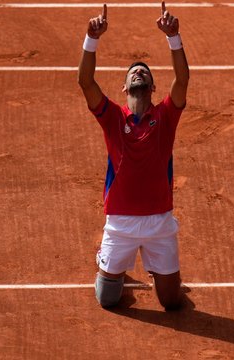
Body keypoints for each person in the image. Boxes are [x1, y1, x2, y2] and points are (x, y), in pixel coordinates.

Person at [78, 2, 189, 310]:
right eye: (132, 72)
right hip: (120, 224)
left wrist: (173, 37)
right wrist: (91, 38)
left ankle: (165, 280)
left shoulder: (166, 115)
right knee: (107, 299)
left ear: (153, 86)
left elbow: (182, 81)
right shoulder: (112, 116)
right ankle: (110, 265)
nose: (138, 71)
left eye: (144, 71)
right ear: (124, 87)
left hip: (159, 223)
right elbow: (86, 82)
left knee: (172, 302)